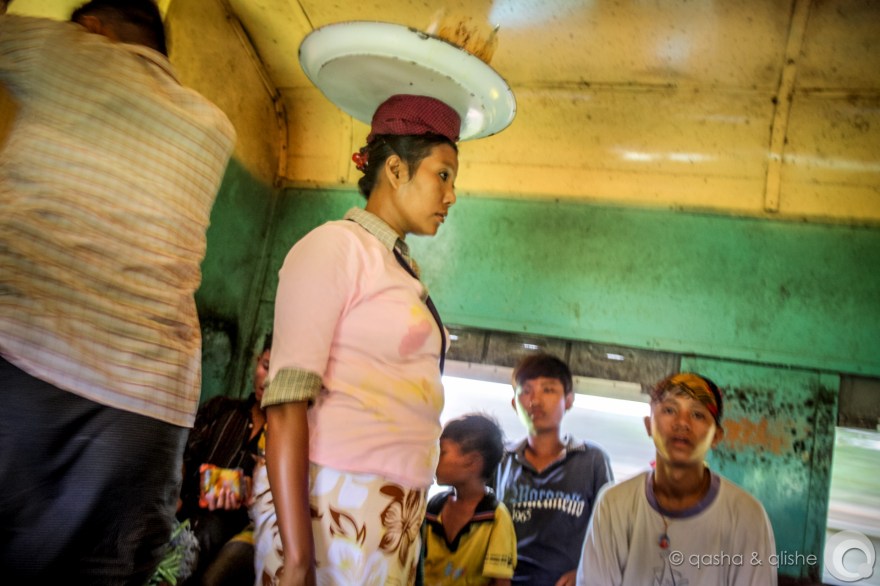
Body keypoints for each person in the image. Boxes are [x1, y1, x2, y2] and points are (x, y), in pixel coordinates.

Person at [0, 1, 236, 583]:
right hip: (149, 400)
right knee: (105, 568)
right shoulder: (215, 126)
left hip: (27, 354)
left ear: (93, 29)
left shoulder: (70, 54)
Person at [261, 93, 460, 586]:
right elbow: (285, 405)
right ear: (395, 169)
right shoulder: (335, 247)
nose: (452, 195)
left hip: (391, 513)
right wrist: (299, 559)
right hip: (331, 503)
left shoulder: (399, 269)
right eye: (443, 174)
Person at [576, 373, 777, 585]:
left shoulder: (747, 516)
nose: (682, 423)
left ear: (716, 436)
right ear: (648, 425)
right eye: (670, 410)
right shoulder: (614, 504)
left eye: (698, 414)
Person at [492, 353, 614, 586]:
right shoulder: (501, 459)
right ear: (514, 404)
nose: (535, 400)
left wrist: (583, 572)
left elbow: (610, 533)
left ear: (568, 400)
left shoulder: (591, 459)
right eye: (525, 391)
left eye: (548, 390)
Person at [176, 334, 272, 586]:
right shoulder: (221, 409)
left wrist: (251, 493)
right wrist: (174, 489)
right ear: (256, 362)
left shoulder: (282, 443)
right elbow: (181, 454)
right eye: (265, 367)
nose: (268, 380)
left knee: (211, 528)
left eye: (278, 375)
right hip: (183, 509)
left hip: (229, 527)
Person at [423, 413, 517, 585]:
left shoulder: (495, 517)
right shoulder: (434, 507)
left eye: (442, 452)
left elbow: (501, 582)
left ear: (473, 462)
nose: (435, 457)